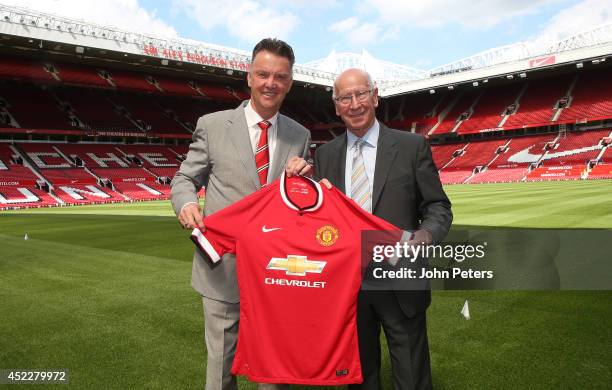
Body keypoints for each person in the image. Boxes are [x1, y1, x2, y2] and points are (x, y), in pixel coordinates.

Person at [287, 68, 452, 390]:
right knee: (360, 377)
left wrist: (424, 237)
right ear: (336, 106)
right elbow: (320, 218)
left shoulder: (411, 146)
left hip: (400, 278)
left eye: (361, 94)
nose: (354, 103)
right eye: (345, 98)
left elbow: (437, 207)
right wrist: (299, 181)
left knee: (412, 375)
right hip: (348, 286)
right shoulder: (327, 155)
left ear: (375, 96)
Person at [171, 38, 311, 390]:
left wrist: (306, 178)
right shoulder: (213, 125)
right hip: (223, 268)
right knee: (220, 369)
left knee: (274, 371)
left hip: (279, 271)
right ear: (249, 76)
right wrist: (187, 203)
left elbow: (303, 201)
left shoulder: (300, 135)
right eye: (263, 74)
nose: (270, 83)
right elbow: (185, 178)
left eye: (280, 76)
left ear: (289, 83)